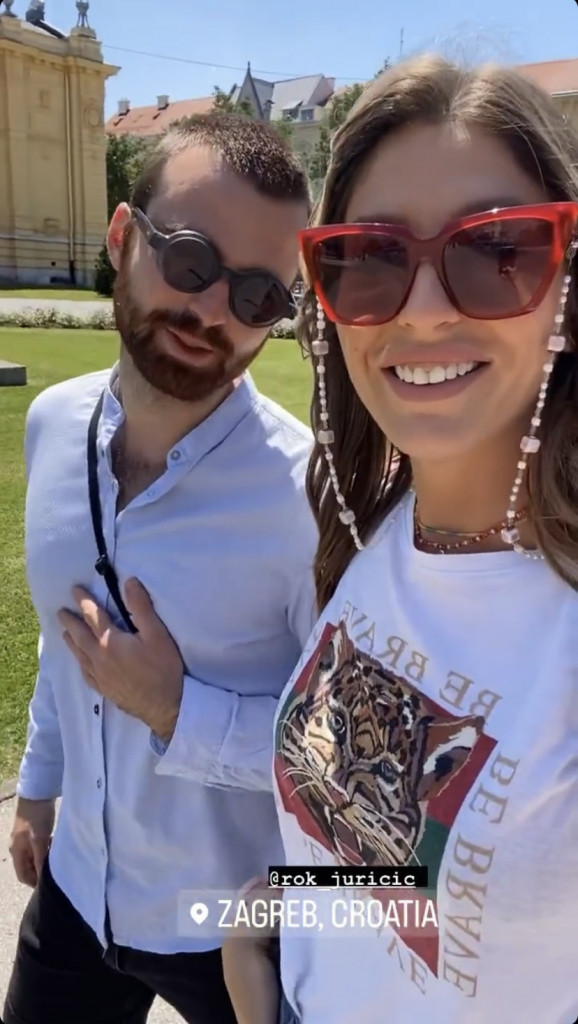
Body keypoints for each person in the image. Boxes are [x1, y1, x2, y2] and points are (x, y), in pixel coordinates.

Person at [223, 55, 578, 1024]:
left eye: (497, 248)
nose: (422, 309)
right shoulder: (373, 528)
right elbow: (383, 844)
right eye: (370, 257)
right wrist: (262, 936)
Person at [4, 113, 318, 1024]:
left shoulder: (305, 500)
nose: (214, 310)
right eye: (189, 260)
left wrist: (179, 711)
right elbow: (65, 642)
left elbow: (348, 774)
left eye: (258, 295)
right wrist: (38, 786)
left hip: (232, 923)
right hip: (78, 886)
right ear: (121, 237)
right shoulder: (52, 423)